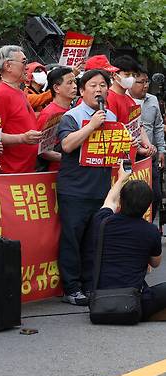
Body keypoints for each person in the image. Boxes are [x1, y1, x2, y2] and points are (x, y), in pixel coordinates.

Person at [56, 69, 118, 305]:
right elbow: (67, 145)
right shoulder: (71, 117)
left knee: (95, 240)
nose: (99, 90)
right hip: (75, 190)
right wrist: (91, 125)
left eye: (103, 85)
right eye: (93, 85)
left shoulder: (110, 117)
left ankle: (91, 285)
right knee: (72, 239)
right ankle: (71, 288)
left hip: (101, 189)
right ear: (82, 91)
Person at [90, 165, 166, 321]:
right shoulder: (150, 231)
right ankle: (141, 315)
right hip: (133, 300)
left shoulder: (102, 221)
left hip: (100, 299)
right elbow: (156, 262)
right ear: (147, 207)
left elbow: (110, 199)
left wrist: (122, 178)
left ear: (121, 201)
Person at [0, 45, 42, 173]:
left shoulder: (19, 92)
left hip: (24, 170)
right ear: (8, 66)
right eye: (24, 62)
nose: (27, 67)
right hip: (10, 172)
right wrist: (22, 138)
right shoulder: (2, 95)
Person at [128, 68, 166, 221]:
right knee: (132, 196)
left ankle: (148, 224)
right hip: (130, 156)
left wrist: (162, 150)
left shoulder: (153, 100)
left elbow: (158, 126)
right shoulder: (124, 100)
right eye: (140, 82)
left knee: (155, 195)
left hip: (150, 155)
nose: (145, 85)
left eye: (147, 81)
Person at [104, 55, 155, 157]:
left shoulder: (129, 99)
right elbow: (112, 131)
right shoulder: (109, 98)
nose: (131, 78)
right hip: (118, 157)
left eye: (133, 75)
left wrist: (148, 145)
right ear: (115, 75)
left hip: (132, 155)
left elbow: (138, 126)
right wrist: (139, 150)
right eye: (127, 75)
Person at [36, 66, 78, 171]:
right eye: (69, 83)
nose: (75, 86)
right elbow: (41, 150)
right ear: (56, 88)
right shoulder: (49, 114)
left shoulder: (73, 110)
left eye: (75, 82)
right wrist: (69, 158)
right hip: (55, 173)